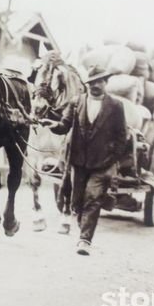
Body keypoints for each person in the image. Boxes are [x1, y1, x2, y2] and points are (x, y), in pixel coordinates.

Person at [40, 65, 128, 255]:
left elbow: (123, 136)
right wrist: (52, 124)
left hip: (102, 164)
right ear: (87, 84)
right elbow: (64, 125)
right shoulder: (76, 102)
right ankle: (83, 227)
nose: (95, 86)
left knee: (93, 198)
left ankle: (84, 240)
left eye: (99, 82)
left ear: (106, 83)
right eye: (91, 82)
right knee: (77, 201)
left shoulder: (115, 106)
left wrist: (111, 158)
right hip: (78, 162)